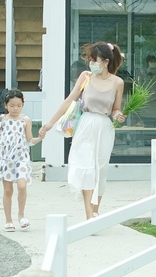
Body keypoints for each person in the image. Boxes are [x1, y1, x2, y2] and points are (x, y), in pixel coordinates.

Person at [40, 42, 127, 220]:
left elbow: (115, 108)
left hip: (105, 128)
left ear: (105, 61)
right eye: (90, 60)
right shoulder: (85, 77)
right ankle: (89, 213)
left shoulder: (118, 82)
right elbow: (69, 100)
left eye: (94, 60)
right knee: (86, 166)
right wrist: (50, 123)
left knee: (100, 170)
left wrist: (118, 115)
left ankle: (95, 209)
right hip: (86, 125)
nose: (91, 64)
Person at [0, 89, 41, 232]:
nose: (15, 108)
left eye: (18, 105)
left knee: (22, 186)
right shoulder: (1, 120)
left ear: (23, 105)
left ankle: (21, 215)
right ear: (6, 105)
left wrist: (40, 137)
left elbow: (30, 140)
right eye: (12, 105)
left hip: (21, 158)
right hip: (5, 159)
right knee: (8, 190)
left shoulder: (26, 120)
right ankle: (8, 220)